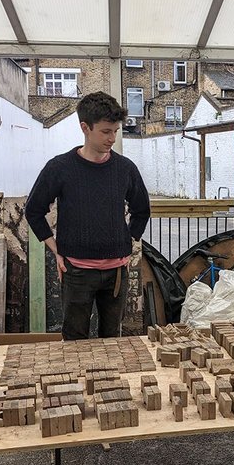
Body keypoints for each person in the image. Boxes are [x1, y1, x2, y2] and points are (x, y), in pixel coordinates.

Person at [25, 91, 150, 340]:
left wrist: (127, 242)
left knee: (112, 337)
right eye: (105, 131)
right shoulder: (60, 168)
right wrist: (56, 249)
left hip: (116, 272)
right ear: (85, 127)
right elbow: (34, 211)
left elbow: (142, 210)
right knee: (74, 337)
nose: (112, 138)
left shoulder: (125, 169)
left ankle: (109, 379)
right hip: (77, 272)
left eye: (115, 130)